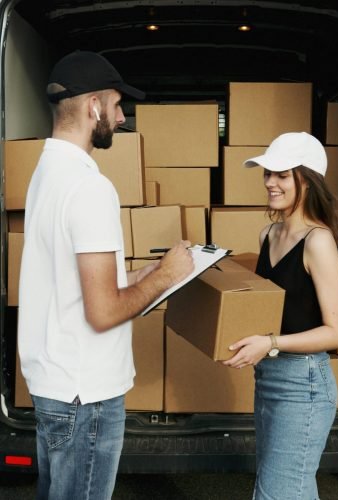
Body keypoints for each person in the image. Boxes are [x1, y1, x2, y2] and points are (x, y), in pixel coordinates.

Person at [17, 50, 194, 500]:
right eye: (117, 105)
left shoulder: (46, 172)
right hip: (85, 395)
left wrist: (144, 272)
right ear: (93, 105)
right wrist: (166, 275)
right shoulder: (90, 187)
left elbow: (72, 276)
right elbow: (102, 312)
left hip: (54, 384)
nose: (121, 117)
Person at [223, 131, 338, 500]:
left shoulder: (318, 241)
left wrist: (271, 343)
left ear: (306, 180)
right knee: (289, 489)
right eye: (267, 173)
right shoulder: (268, 234)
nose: (270, 182)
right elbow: (267, 309)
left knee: (277, 492)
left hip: (304, 382)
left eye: (281, 174)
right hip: (270, 376)